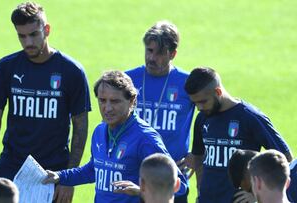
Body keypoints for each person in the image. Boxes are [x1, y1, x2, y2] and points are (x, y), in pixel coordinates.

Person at [0, 2, 91, 203]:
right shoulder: (7, 67)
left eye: (33, 34)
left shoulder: (72, 71)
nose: (28, 42)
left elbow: (80, 127)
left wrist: (69, 179)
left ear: (47, 30)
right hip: (11, 164)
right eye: (22, 36)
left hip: (52, 172)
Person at [42, 70, 183, 203]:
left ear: (132, 101)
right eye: (102, 100)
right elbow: (93, 169)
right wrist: (60, 176)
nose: (107, 108)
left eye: (115, 101)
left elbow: (181, 186)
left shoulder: (145, 138)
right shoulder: (99, 131)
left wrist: (141, 191)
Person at [180, 67, 292, 203]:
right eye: (195, 103)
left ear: (218, 91)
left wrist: (256, 195)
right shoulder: (202, 118)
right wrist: (199, 191)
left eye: (203, 101)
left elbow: (285, 158)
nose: (199, 108)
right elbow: (200, 157)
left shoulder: (250, 117)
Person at [125, 20, 194, 202]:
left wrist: (198, 154)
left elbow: (210, 116)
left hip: (171, 178)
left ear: (173, 54)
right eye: (149, 50)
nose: (152, 58)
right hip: (133, 175)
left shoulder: (187, 83)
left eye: (160, 53)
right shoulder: (128, 80)